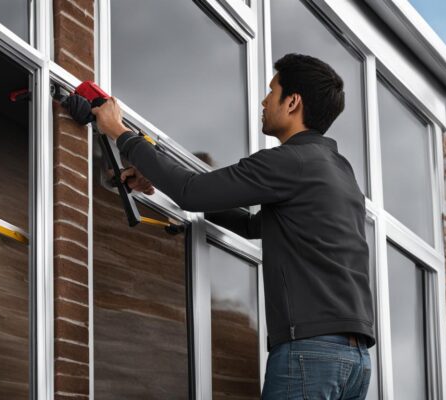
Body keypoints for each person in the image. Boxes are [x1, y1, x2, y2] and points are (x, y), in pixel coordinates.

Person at [92, 53, 375, 399]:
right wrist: (160, 180)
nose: (264, 100)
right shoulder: (340, 171)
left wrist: (120, 133)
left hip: (310, 353)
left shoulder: (290, 161)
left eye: (272, 91)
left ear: (293, 102)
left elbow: (191, 192)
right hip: (355, 361)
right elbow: (253, 224)